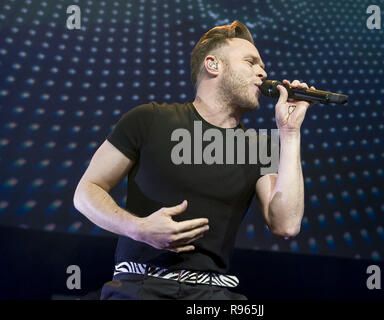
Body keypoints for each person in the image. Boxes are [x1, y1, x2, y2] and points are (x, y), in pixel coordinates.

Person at [73, 20, 316, 300]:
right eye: (250, 62)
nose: (262, 72)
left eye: (262, 66)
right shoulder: (149, 119)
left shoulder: (258, 146)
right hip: (140, 286)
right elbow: (86, 192)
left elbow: (285, 225)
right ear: (213, 65)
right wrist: (139, 228)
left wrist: (289, 132)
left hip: (214, 294)